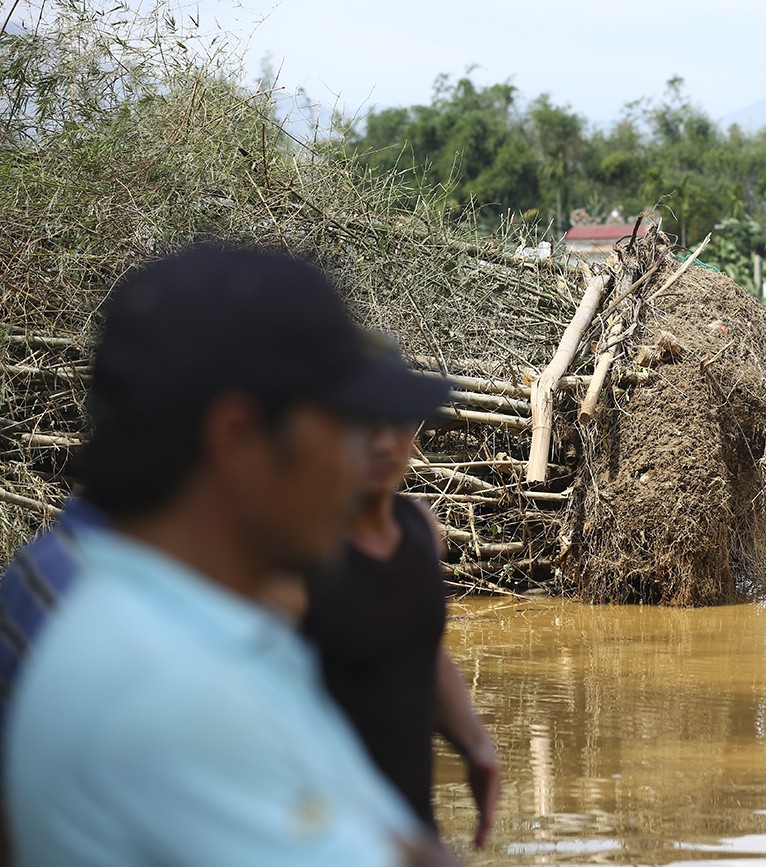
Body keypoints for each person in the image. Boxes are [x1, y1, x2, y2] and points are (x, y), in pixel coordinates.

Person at [3, 246, 455, 867]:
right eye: (342, 427)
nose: (358, 467)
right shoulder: (167, 688)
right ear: (238, 439)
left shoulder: (192, 632)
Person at [301, 413, 500, 847]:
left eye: (396, 427)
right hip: (326, 827)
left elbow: (420, 648)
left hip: (411, 814)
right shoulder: (299, 548)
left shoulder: (419, 527)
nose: (384, 445)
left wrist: (476, 746)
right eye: (366, 425)